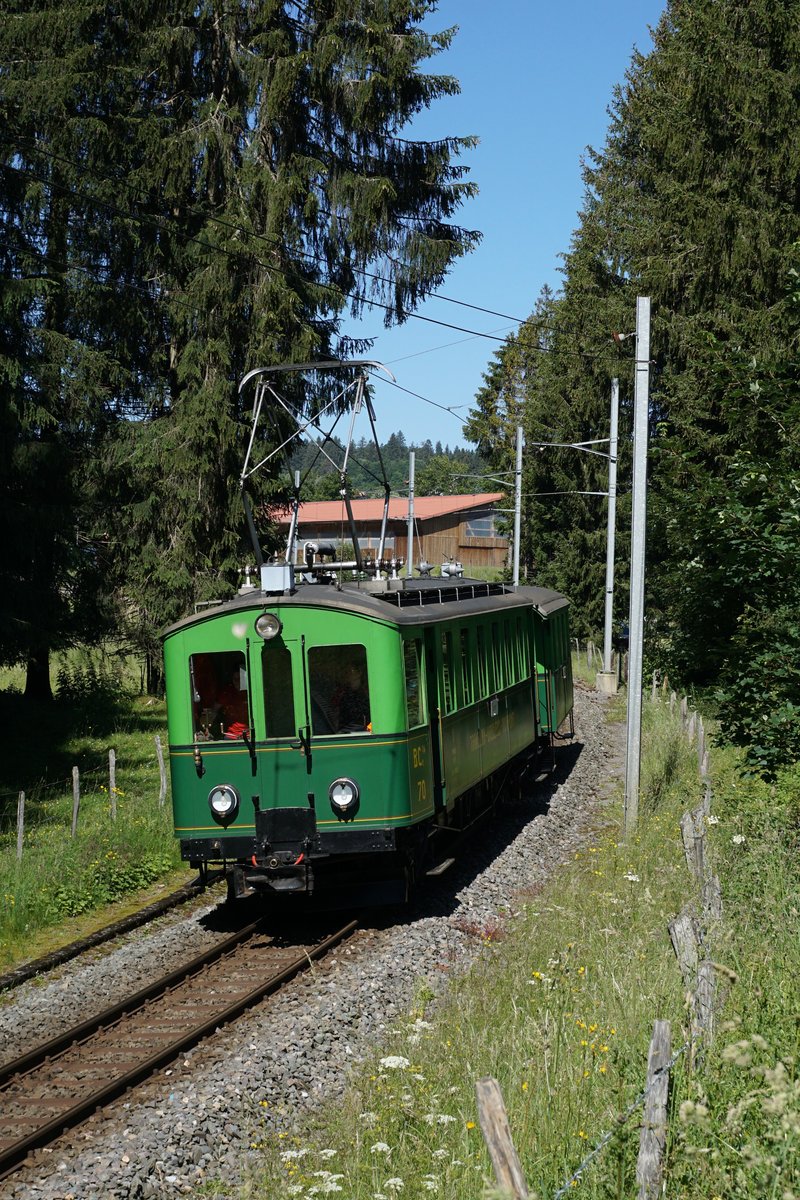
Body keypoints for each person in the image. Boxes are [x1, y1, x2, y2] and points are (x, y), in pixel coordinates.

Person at [333, 661, 370, 732]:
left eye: (350, 671)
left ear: (359, 673)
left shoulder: (368, 692)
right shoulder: (343, 693)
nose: (347, 674)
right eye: (345, 672)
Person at [216, 667, 249, 738]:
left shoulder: (251, 692)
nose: (237, 681)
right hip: (231, 735)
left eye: (239, 679)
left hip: (249, 735)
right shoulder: (228, 693)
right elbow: (214, 710)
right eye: (235, 679)